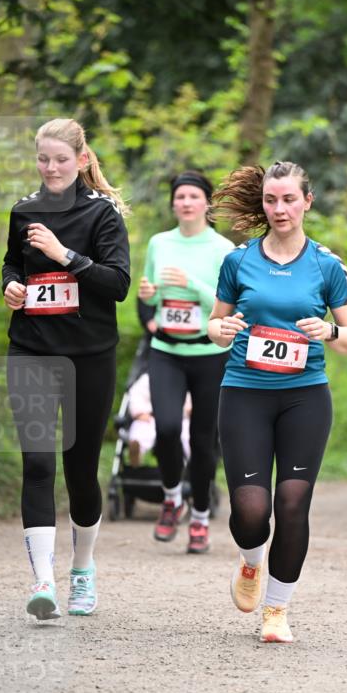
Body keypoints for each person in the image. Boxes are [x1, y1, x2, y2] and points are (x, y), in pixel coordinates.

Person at [208, 161, 347, 643]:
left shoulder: (326, 264)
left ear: (307, 202)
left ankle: (276, 610)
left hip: (304, 397)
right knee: (252, 511)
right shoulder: (238, 261)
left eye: (289, 200)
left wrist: (331, 330)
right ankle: (251, 562)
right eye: (272, 200)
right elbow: (215, 327)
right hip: (245, 393)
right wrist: (223, 329)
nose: (280, 209)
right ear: (263, 203)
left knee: (294, 504)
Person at [2, 118, 130, 620]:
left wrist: (64, 255)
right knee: (37, 463)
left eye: (60, 159)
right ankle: (43, 582)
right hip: (32, 349)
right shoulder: (23, 211)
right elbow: (14, 264)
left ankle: (82, 569)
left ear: (80, 160)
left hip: (89, 357)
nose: (50, 168)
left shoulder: (103, 215)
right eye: (42, 159)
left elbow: (117, 283)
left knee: (80, 472)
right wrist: (12, 286)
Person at [138, 171, 234, 553]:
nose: (186, 202)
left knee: (203, 440)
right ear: (173, 203)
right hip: (166, 352)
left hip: (210, 354)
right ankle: (171, 497)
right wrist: (148, 301)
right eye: (180, 196)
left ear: (207, 204)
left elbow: (230, 306)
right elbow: (146, 294)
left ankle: (199, 517)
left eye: (194, 196)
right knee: (165, 429)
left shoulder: (224, 249)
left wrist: (192, 284)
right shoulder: (159, 242)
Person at [127, 373, 191, 467]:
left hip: (180, 419)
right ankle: (137, 451)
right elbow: (135, 395)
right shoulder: (147, 379)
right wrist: (139, 413)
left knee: (187, 435)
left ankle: (193, 461)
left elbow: (190, 401)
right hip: (150, 417)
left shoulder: (184, 379)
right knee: (140, 430)